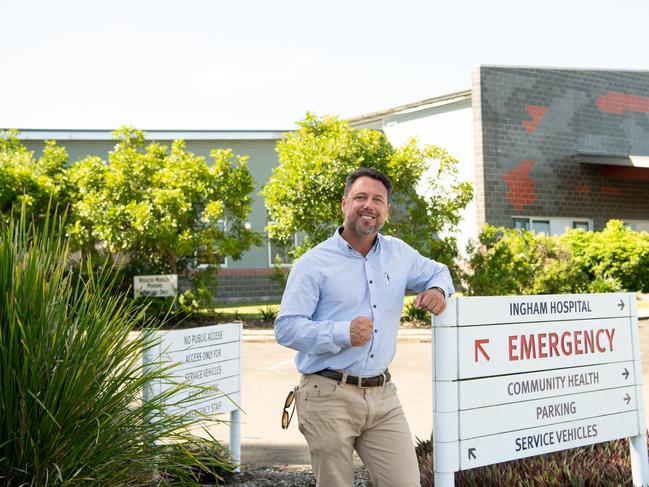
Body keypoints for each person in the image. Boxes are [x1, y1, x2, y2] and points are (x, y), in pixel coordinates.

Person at [274, 167, 453, 486]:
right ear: (344, 204)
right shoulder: (313, 264)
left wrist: (438, 290)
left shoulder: (399, 254)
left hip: (383, 395)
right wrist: (342, 333)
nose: (369, 205)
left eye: (377, 199)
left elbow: (439, 271)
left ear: (386, 209)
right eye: (360, 197)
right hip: (328, 394)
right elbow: (287, 328)